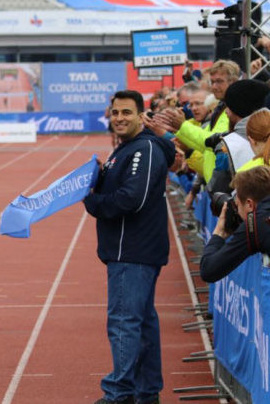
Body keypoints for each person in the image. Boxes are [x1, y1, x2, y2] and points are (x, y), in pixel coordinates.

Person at [83, 90, 175, 404]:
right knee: (143, 323)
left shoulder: (143, 149)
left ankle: (120, 392)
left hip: (133, 251)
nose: (119, 118)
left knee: (124, 322)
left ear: (141, 116)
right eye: (115, 112)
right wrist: (99, 178)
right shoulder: (127, 149)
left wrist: (93, 201)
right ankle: (146, 392)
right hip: (131, 250)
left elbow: (131, 199)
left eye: (126, 112)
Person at [199, 166, 270, 282]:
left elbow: (208, 271)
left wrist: (218, 234)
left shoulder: (257, 222)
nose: (237, 211)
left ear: (249, 204)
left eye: (237, 205)